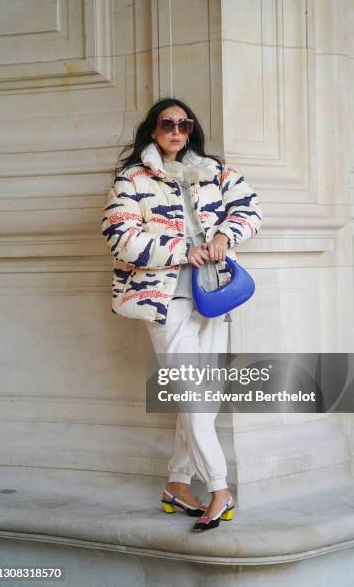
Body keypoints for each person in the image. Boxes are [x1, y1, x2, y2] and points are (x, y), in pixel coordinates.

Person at [101, 97, 263, 531]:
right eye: (167, 123)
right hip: (166, 299)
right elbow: (120, 238)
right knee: (194, 394)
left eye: (184, 124)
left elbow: (251, 207)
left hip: (214, 292)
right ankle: (220, 489)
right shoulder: (132, 179)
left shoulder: (214, 171)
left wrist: (226, 236)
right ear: (152, 130)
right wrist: (180, 250)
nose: (176, 131)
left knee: (204, 398)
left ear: (192, 130)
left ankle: (175, 483)